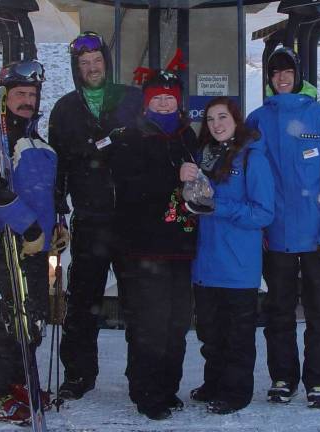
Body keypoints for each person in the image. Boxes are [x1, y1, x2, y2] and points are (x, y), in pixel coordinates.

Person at [246, 47, 320, 409]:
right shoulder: (257, 121)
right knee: (279, 311)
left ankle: (319, 381)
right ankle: (283, 376)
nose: (282, 78)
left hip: (319, 236)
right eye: (275, 73)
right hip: (276, 235)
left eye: (288, 71)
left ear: (299, 75)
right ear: (270, 79)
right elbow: (250, 179)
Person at [48, 31, 142, 400]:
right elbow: (58, 166)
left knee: (136, 302)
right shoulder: (66, 109)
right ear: (77, 68)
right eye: (84, 64)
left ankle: (143, 376)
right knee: (83, 302)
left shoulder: (129, 99)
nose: (92, 69)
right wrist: (58, 210)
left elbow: (150, 147)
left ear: (106, 62)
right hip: (89, 219)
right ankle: (78, 375)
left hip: (131, 219)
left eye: (97, 62)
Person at [0, 60, 57, 424]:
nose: (26, 100)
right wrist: (28, 226)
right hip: (8, 242)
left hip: (35, 244)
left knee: (31, 317)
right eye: (19, 94)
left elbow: (46, 190)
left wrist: (56, 226)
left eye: (31, 95)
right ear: (4, 96)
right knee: (11, 318)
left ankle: (18, 380)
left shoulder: (32, 134)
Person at [109, 70, 198, 420]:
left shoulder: (186, 135)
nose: (164, 103)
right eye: (158, 98)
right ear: (147, 103)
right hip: (145, 247)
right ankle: (146, 391)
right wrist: (171, 176)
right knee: (150, 323)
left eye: (170, 97)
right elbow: (129, 187)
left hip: (181, 244)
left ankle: (167, 385)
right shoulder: (132, 136)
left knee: (177, 322)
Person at [182, 96, 274, 415]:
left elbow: (264, 213)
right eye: (210, 119)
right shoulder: (203, 157)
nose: (216, 124)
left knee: (237, 335)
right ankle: (214, 382)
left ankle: (236, 391)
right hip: (206, 261)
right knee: (210, 332)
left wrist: (219, 208)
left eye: (223, 117)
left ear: (236, 120)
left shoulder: (253, 158)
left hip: (238, 264)